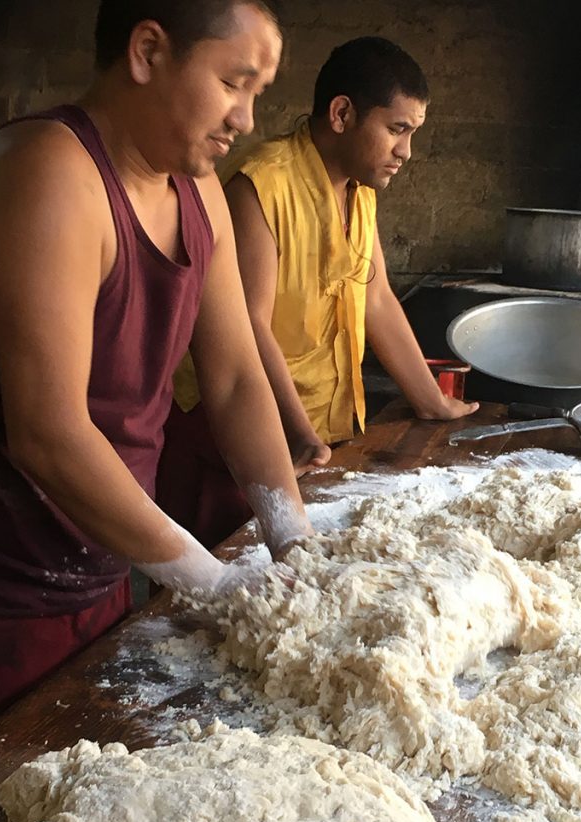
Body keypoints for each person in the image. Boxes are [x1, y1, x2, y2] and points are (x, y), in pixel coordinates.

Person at [0, 0, 313, 725]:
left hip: (103, 563)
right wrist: (210, 580)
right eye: (234, 83)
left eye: (257, 94)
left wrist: (293, 540)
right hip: (0, 596)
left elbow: (233, 378)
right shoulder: (51, 173)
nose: (246, 118)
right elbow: (47, 431)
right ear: (148, 51)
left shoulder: (197, 191)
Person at [158, 35, 478, 544]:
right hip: (236, 435)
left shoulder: (360, 189)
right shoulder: (259, 185)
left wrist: (431, 403)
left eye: (413, 132)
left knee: (299, 576)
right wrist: (295, 429)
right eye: (397, 129)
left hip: (324, 431)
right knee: (220, 583)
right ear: (342, 113)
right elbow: (248, 325)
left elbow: (376, 300)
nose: (406, 151)